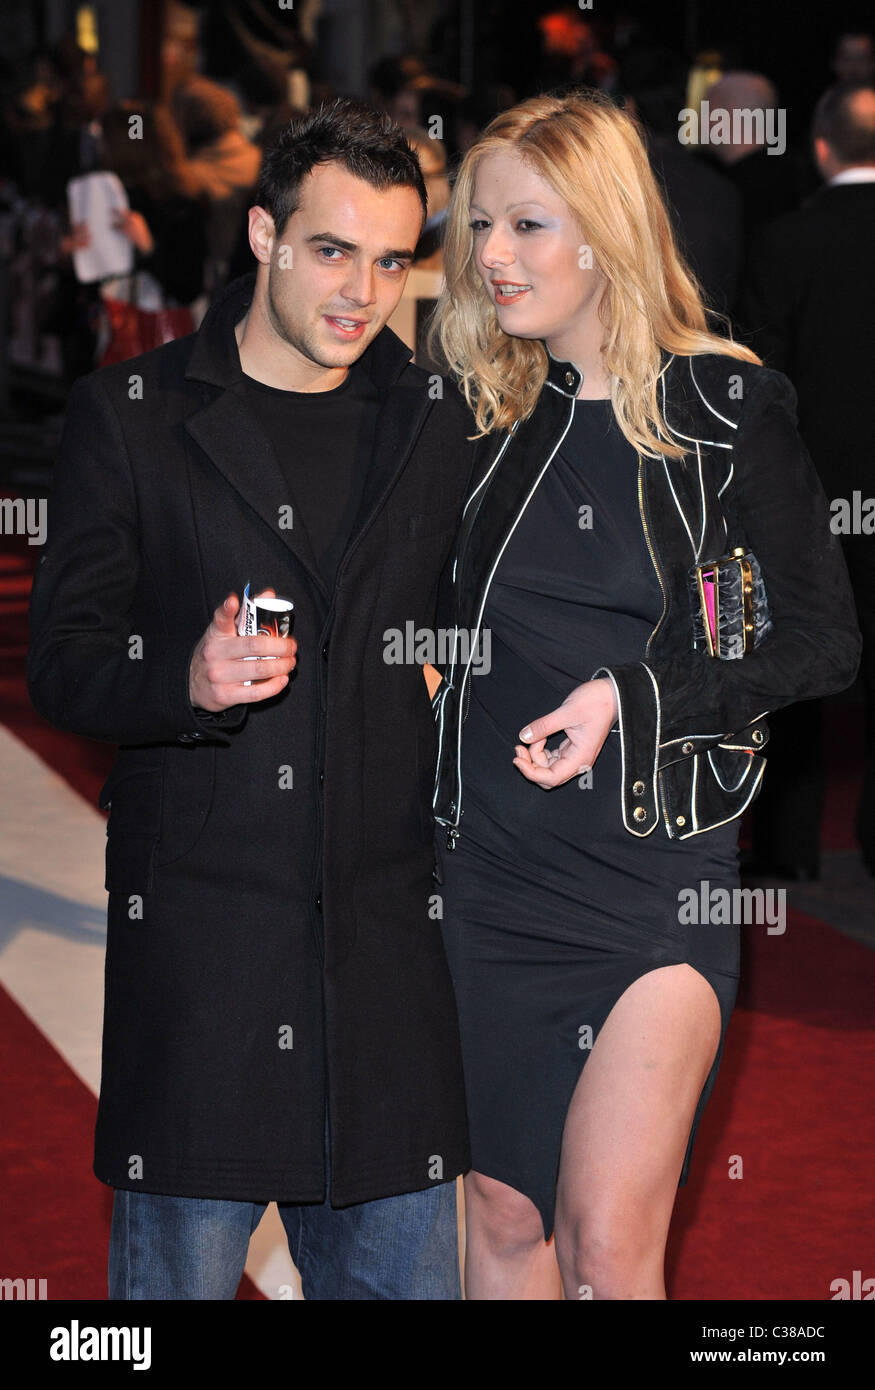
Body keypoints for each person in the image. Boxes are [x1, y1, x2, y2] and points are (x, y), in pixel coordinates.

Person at [27, 98, 474, 1301]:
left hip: (388, 978)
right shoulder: (128, 418)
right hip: (204, 973)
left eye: (391, 261)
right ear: (263, 236)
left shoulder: (444, 426)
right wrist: (177, 677)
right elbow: (60, 658)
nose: (361, 293)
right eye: (331, 251)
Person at [427, 89, 862, 1300]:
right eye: (477, 227)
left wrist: (632, 694)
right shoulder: (477, 416)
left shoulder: (725, 413)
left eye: (525, 225)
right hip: (484, 872)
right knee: (501, 1220)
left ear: (606, 228)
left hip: (651, 878)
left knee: (611, 1245)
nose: (491, 258)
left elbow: (819, 640)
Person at [739, 85, 875, 877]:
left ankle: (788, 854)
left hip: (808, 492)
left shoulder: (786, 239)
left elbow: (761, 381)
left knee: (797, 661)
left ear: (820, 148)